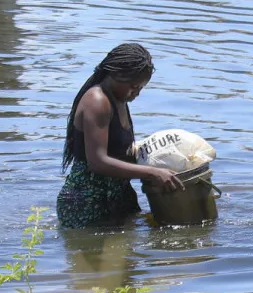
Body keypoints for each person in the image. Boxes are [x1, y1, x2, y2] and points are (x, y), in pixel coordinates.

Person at [57, 42, 182, 227]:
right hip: (86, 203)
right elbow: (97, 161)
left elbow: (119, 152)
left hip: (117, 196)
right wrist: (153, 172)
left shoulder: (119, 99)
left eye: (140, 88)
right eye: (133, 86)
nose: (136, 93)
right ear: (116, 74)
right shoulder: (97, 101)